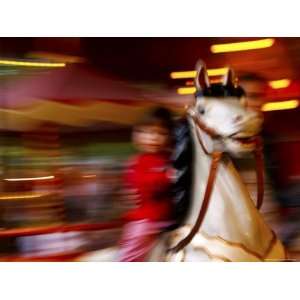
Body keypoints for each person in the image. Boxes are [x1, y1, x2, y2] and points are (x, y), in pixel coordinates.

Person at [118, 107, 175, 262]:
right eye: (148, 132)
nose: (154, 138)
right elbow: (144, 184)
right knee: (136, 242)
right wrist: (168, 175)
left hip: (170, 219)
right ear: (137, 136)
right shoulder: (137, 162)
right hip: (146, 220)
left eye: (161, 133)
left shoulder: (169, 159)